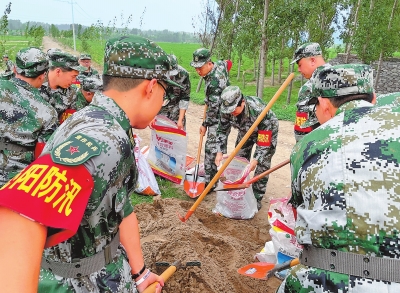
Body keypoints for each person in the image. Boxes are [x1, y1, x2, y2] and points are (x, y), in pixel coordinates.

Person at [0, 35, 179, 293]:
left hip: (105, 267)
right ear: (150, 87)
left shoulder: (100, 121)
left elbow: (120, 203)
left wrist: (139, 273)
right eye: (164, 94)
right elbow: (21, 213)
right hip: (81, 282)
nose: (162, 104)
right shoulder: (102, 139)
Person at [277, 64, 400, 292]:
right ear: (373, 98)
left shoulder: (308, 144)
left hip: (327, 279)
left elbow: (299, 214)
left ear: (324, 104)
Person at [0, 47, 58, 187]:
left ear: (15, 69)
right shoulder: (47, 112)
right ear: (42, 75)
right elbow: (43, 156)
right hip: (15, 182)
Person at [215, 86, 278, 210]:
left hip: (266, 130)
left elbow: (264, 143)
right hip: (245, 131)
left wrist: (255, 160)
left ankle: (256, 198)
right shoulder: (226, 108)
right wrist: (220, 151)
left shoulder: (259, 110)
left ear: (242, 102)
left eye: (234, 110)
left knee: (262, 164)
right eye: (228, 111)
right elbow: (222, 130)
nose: (231, 113)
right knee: (239, 159)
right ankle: (238, 191)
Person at [190, 48, 230, 190]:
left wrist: (204, 124)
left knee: (211, 148)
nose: (198, 71)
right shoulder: (219, 64)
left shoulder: (214, 82)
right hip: (220, 110)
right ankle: (212, 178)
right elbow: (226, 63)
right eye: (195, 68)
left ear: (208, 63)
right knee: (214, 147)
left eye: (200, 68)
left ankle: (209, 183)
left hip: (220, 117)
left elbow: (213, 111)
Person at [291, 42, 329, 142]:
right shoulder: (341, 78)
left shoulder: (309, 88)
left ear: (312, 60)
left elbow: (302, 131)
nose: (299, 69)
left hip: (318, 147)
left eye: (300, 65)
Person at [39, 49, 87, 124]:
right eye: (73, 76)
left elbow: (72, 120)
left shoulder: (71, 92)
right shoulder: (35, 85)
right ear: (58, 72)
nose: (74, 81)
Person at [157, 54, 191, 130]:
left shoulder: (183, 75)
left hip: (176, 112)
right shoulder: (157, 75)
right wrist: (151, 116)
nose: (171, 77)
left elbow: (185, 97)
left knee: (177, 138)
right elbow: (153, 97)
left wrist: (180, 119)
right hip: (160, 113)